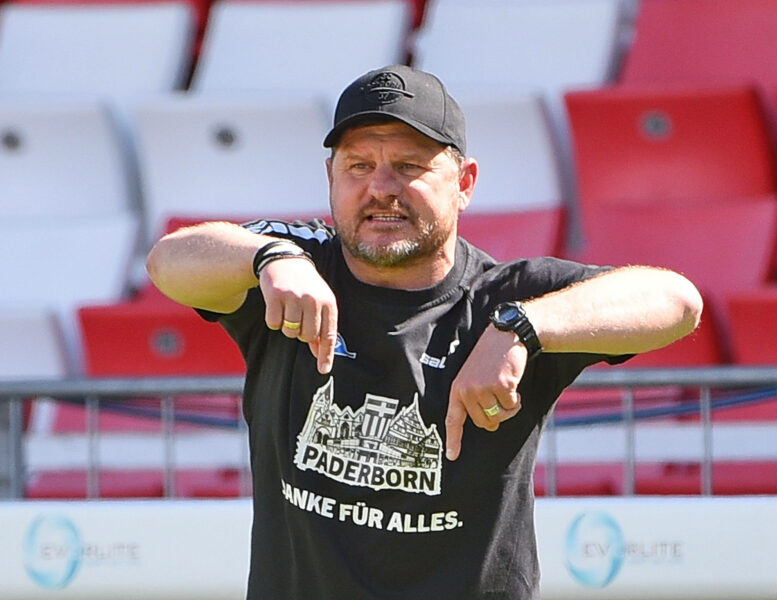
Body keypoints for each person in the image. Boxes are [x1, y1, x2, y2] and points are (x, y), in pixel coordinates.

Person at [146, 65, 703, 600]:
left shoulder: (504, 297)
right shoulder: (294, 267)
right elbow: (168, 261)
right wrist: (270, 258)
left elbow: (676, 301)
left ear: (464, 183)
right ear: (330, 177)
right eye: (359, 165)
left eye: (409, 166)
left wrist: (523, 328)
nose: (381, 187)